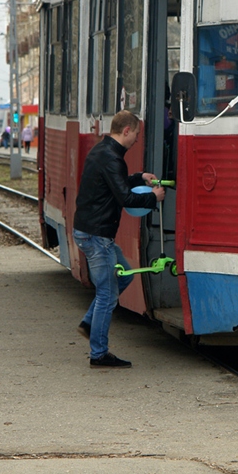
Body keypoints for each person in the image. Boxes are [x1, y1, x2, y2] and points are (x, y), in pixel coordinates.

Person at [73, 110, 165, 368]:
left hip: (94, 233)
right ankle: (99, 354)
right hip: (96, 236)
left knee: (124, 275)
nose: (137, 139)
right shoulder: (112, 158)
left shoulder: (104, 152)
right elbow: (126, 198)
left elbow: (115, 185)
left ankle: (90, 324)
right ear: (126, 131)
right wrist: (153, 197)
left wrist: (139, 177)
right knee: (108, 294)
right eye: (136, 133)